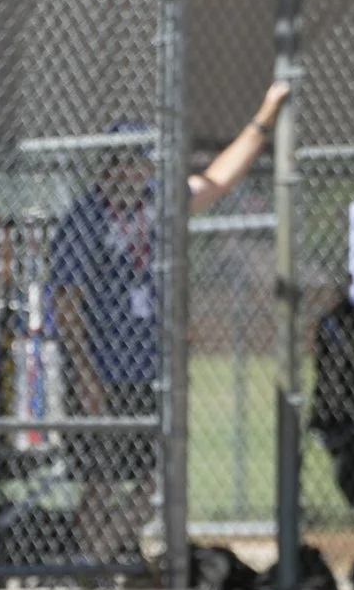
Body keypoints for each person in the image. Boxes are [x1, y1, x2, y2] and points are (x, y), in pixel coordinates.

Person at [52, 83, 287, 562]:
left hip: (145, 371)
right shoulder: (86, 219)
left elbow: (218, 180)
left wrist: (263, 118)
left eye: (140, 162)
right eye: (124, 162)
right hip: (101, 370)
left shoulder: (156, 203)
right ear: (108, 167)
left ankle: (97, 561)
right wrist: (85, 373)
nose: (134, 171)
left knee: (150, 480)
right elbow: (66, 302)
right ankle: (93, 564)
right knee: (99, 480)